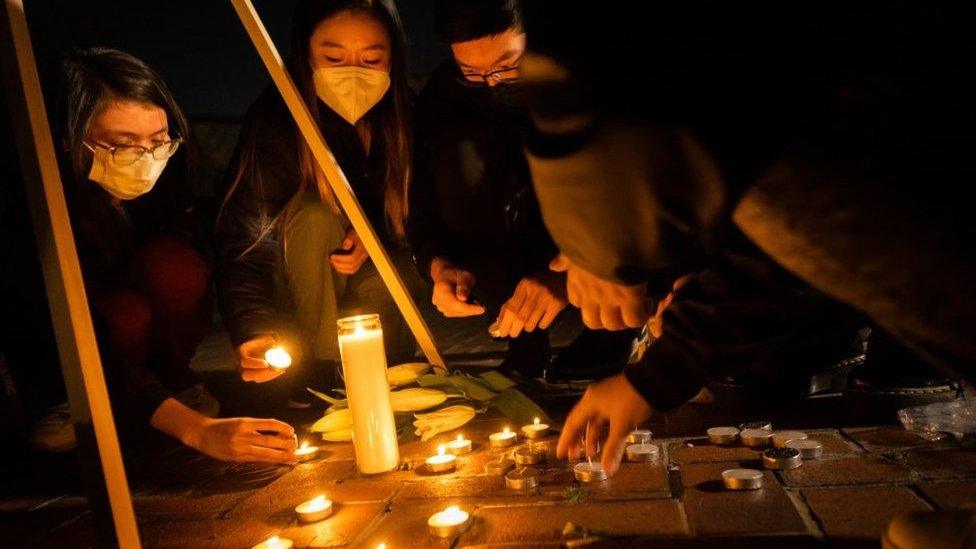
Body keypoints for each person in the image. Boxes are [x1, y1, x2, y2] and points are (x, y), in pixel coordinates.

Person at [514, 1, 973, 478]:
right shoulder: (759, 135)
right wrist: (648, 379)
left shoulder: (809, 139)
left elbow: (783, 259)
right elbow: (771, 263)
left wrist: (603, 253)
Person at [25, 47, 298, 463]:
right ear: (69, 139)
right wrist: (196, 430)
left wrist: (252, 331)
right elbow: (78, 328)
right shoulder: (36, 205)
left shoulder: (170, 177)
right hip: (76, 345)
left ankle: (173, 383)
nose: (147, 159)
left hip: (143, 328)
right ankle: (75, 401)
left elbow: (222, 253)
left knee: (178, 268)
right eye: (123, 145)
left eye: (158, 141)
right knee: (123, 315)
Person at [407, 0, 637, 381]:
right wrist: (439, 265)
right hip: (513, 227)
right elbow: (423, 199)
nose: (492, 83)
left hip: (599, 225)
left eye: (507, 66)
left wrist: (574, 273)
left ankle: (613, 326)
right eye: (473, 72)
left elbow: (640, 186)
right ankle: (523, 333)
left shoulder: (592, 68)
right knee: (461, 152)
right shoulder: (447, 95)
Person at [217, 0, 415, 406]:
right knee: (315, 215)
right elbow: (245, 237)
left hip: (372, 291)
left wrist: (377, 238)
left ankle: (387, 372)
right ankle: (321, 376)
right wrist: (253, 327)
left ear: (394, 57)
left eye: (372, 58)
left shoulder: (404, 117)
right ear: (306, 52)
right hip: (297, 299)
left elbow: (427, 221)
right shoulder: (279, 119)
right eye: (334, 56)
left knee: (390, 269)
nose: (353, 73)